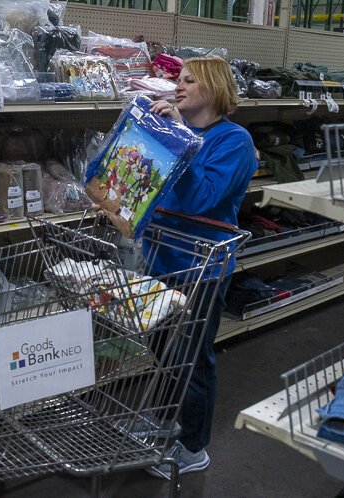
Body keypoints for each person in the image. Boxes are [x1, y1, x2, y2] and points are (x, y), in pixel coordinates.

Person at [143, 56, 258, 478]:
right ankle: (165, 419)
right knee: (160, 348)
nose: (179, 86)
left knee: (191, 358)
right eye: (178, 80)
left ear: (212, 87)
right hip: (161, 257)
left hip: (203, 267)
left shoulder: (234, 140)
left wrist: (177, 138)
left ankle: (194, 447)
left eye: (189, 80)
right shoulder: (180, 131)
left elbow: (202, 198)